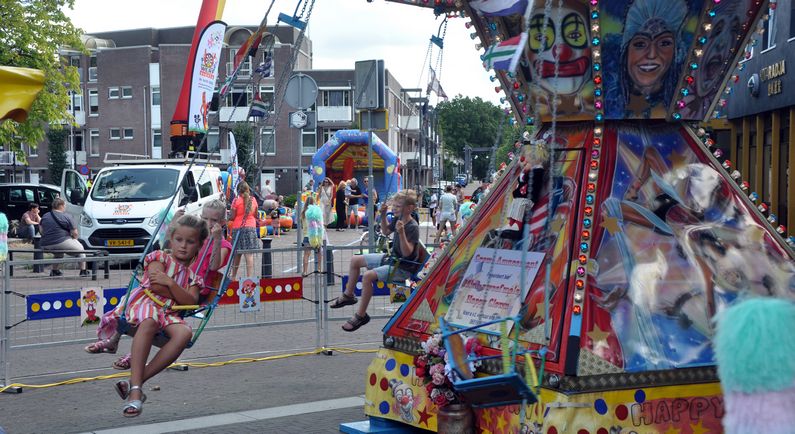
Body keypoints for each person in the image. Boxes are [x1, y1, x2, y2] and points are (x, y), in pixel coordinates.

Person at [88, 214, 208, 417]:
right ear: (171, 239)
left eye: (190, 242)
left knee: (184, 333)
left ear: (198, 245)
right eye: (179, 240)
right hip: (146, 304)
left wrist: (170, 283)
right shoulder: (159, 257)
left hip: (169, 312)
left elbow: (190, 302)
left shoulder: (195, 277)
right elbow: (156, 286)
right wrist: (179, 294)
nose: (183, 246)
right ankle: (135, 393)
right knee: (149, 321)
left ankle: (135, 382)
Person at [107, 199, 233, 371]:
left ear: (222, 223)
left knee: (155, 309)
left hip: (193, 290)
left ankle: (130, 352)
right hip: (174, 281)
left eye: (214, 221)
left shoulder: (223, 245)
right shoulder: (195, 237)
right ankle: (118, 337)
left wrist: (217, 239)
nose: (209, 224)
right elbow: (168, 248)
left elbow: (213, 266)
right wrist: (174, 223)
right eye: (205, 219)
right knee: (141, 294)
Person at [330, 190, 420, 332]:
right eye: (394, 206)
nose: (394, 208)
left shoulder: (412, 226)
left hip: (402, 267)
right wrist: (383, 215)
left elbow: (407, 252)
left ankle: (361, 315)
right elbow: (385, 231)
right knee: (355, 260)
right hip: (391, 259)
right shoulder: (398, 219)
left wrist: (402, 234)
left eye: (398, 206)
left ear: (409, 208)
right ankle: (348, 295)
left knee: (368, 276)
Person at [39, 198, 88, 277]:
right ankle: (83, 271)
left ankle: (54, 271)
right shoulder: (67, 216)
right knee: (81, 251)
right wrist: (73, 240)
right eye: (64, 205)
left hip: (45, 244)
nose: (65, 207)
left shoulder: (45, 215)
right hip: (61, 242)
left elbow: (41, 230)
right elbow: (75, 233)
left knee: (59, 253)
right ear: (61, 206)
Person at [229, 181, 259, 281]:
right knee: (248, 254)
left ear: (238, 190)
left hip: (238, 227)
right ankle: (250, 277)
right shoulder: (253, 200)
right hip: (250, 227)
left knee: (237, 253)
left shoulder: (235, 201)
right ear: (248, 189)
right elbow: (255, 215)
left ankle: (233, 276)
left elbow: (232, 217)